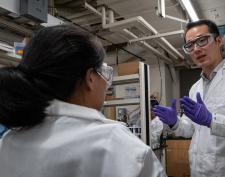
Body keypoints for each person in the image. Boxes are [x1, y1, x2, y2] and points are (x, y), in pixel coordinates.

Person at [0, 25, 166, 177]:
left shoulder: (8, 141)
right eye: (103, 72)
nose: (106, 83)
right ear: (90, 78)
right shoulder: (115, 143)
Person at [152, 19, 225, 177]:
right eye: (190, 45)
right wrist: (175, 122)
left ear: (219, 40)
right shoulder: (195, 88)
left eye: (202, 40)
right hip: (198, 171)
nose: (196, 49)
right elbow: (191, 130)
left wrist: (212, 120)